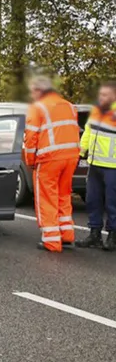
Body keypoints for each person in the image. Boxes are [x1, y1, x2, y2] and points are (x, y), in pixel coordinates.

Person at [24, 75, 81, 252]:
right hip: (70, 157)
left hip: (49, 159)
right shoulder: (69, 106)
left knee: (46, 198)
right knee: (63, 195)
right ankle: (66, 235)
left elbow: (30, 138)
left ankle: (51, 240)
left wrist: (30, 161)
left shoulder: (38, 108)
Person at [76, 80, 116, 250]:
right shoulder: (96, 111)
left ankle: (113, 236)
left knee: (112, 203)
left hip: (113, 166)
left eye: (105, 95)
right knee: (93, 200)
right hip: (94, 165)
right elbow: (87, 133)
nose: (101, 97)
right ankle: (94, 234)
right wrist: (80, 152)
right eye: (100, 94)